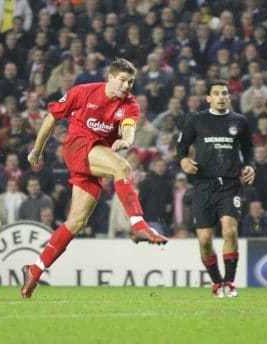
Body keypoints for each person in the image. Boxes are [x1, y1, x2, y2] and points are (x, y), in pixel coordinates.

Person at [20, 58, 168, 299]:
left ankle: (35, 269)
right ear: (110, 77)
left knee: (76, 222)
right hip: (78, 147)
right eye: (122, 80)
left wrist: (126, 141)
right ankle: (139, 226)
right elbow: (51, 117)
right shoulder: (83, 92)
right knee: (122, 167)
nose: (126, 86)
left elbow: (129, 128)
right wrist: (37, 149)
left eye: (130, 82)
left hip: (95, 159)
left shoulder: (130, 104)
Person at [176, 79, 255, 298]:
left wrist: (250, 165)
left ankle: (229, 282)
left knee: (230, 230)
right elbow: (180, 149)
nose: (221, 97)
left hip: (230, 185)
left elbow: (249, 149)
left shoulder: (240, 121)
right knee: (204, 239)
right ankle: (216, 282)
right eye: (217, 93)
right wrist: (183, 161)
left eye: (225, 93)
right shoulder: (196, 120)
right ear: (208, 98)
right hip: (203, 185)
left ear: (229, 97)